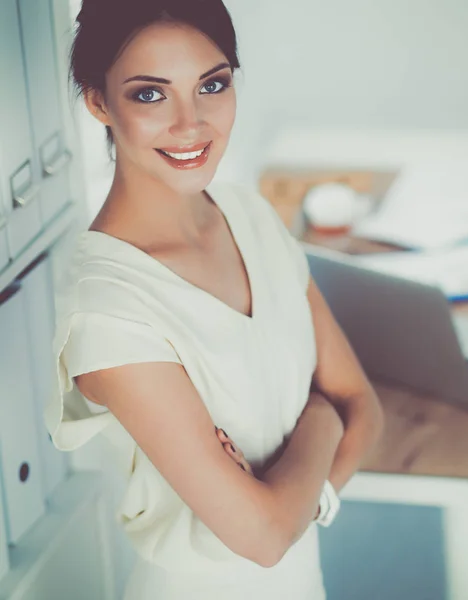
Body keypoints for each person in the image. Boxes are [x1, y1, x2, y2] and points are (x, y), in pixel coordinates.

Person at [44, 0, 384, 598]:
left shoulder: (249, 215)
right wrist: (324, 418)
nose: (190, 123)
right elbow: (261, 537)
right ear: (98, 102)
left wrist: (294, 494)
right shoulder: (108, 309)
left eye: (212, 84)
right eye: (150, 94)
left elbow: (364, 408)